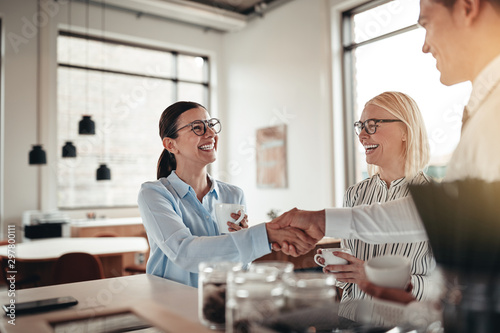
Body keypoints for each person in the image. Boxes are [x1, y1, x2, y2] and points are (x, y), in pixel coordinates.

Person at [269, 0, 500, 303]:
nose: (425, 46)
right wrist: (322, 221)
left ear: (467, 8)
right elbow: (436, 220)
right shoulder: (484, 106)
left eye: (427, 23)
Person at [138, 101, 314, 287]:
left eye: (211, 126)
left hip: (220, 302)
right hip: (171, 307)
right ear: (171, 145)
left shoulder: (233, 194)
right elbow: (183, 253)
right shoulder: (155, 194)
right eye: (197, 128)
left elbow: (240, 266)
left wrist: (244, 240)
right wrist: (266, 235)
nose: (212, 134)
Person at [321, 92, 435, 304]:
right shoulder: (354, 194)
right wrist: (339, 270)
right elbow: (348, 281)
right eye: (360, 126)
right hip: (353, 322)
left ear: (405, 130)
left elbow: (445, 289)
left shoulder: (435, 200)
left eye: (372, 125)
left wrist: (377, 277)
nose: (362, 135)